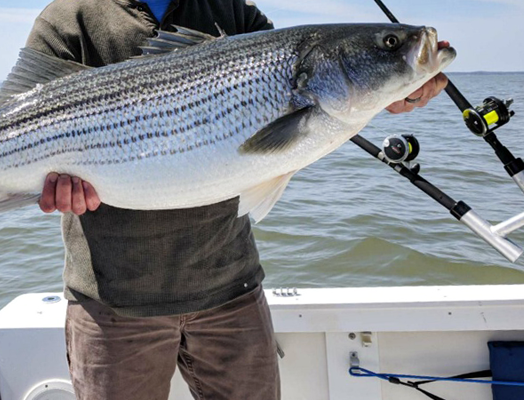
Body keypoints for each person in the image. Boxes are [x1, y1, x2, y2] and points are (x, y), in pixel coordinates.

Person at [22, 1, 449, 399]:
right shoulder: (70, 17)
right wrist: (56, 186)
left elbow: (320, 110)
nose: (400, 47)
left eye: (390, 44)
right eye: (389, 44)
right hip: (112, 300)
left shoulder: (228, 7)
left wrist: (394, 92)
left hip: (230, 286)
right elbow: (23, 110)